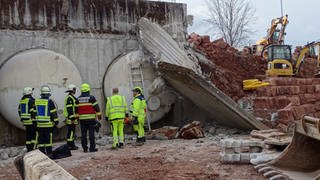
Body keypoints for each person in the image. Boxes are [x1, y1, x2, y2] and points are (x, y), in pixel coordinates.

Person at [35, 85, 59, 156]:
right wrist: (56, 122)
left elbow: (34, 112)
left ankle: (41, 153)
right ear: (48, 94)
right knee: (48, 139)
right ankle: (49, 153)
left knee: (41, 139)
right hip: (48, 124)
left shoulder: (37, 101)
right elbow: (53, 113)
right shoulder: (50, 102)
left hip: (39, 124)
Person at [77, 83, 101, 152]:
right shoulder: (91, 98)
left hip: (82, 120)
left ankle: (85, 149)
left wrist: (77, 118)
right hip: (91, 119)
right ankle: (92, 148)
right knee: (91, 134)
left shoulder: (78, 99)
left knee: (83, 134)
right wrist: (99, 115)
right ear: (88, 89)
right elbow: (96, 108)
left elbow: (76, 110)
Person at [18, 87, 36, 152]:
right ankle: (33, 148)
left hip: (25, 121)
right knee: (33, 135)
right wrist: (34, 119)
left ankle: (29, 148)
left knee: (28, 136)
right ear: (30, 93)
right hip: (31, 121)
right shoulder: (30, 101)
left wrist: (22, 118)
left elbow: (19, 110)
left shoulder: (22, 101)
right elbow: (33, 111)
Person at [63, 84, 79, 150]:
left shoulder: (71, 97)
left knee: (71, 132)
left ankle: (71, 145)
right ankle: (71, 146)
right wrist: (72, 118)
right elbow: (70, 109)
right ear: (73, 90)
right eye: (74, 89)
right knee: (71, 133)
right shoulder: (69, 98)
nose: (75, 91)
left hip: (72, 119)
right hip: (71, 119)